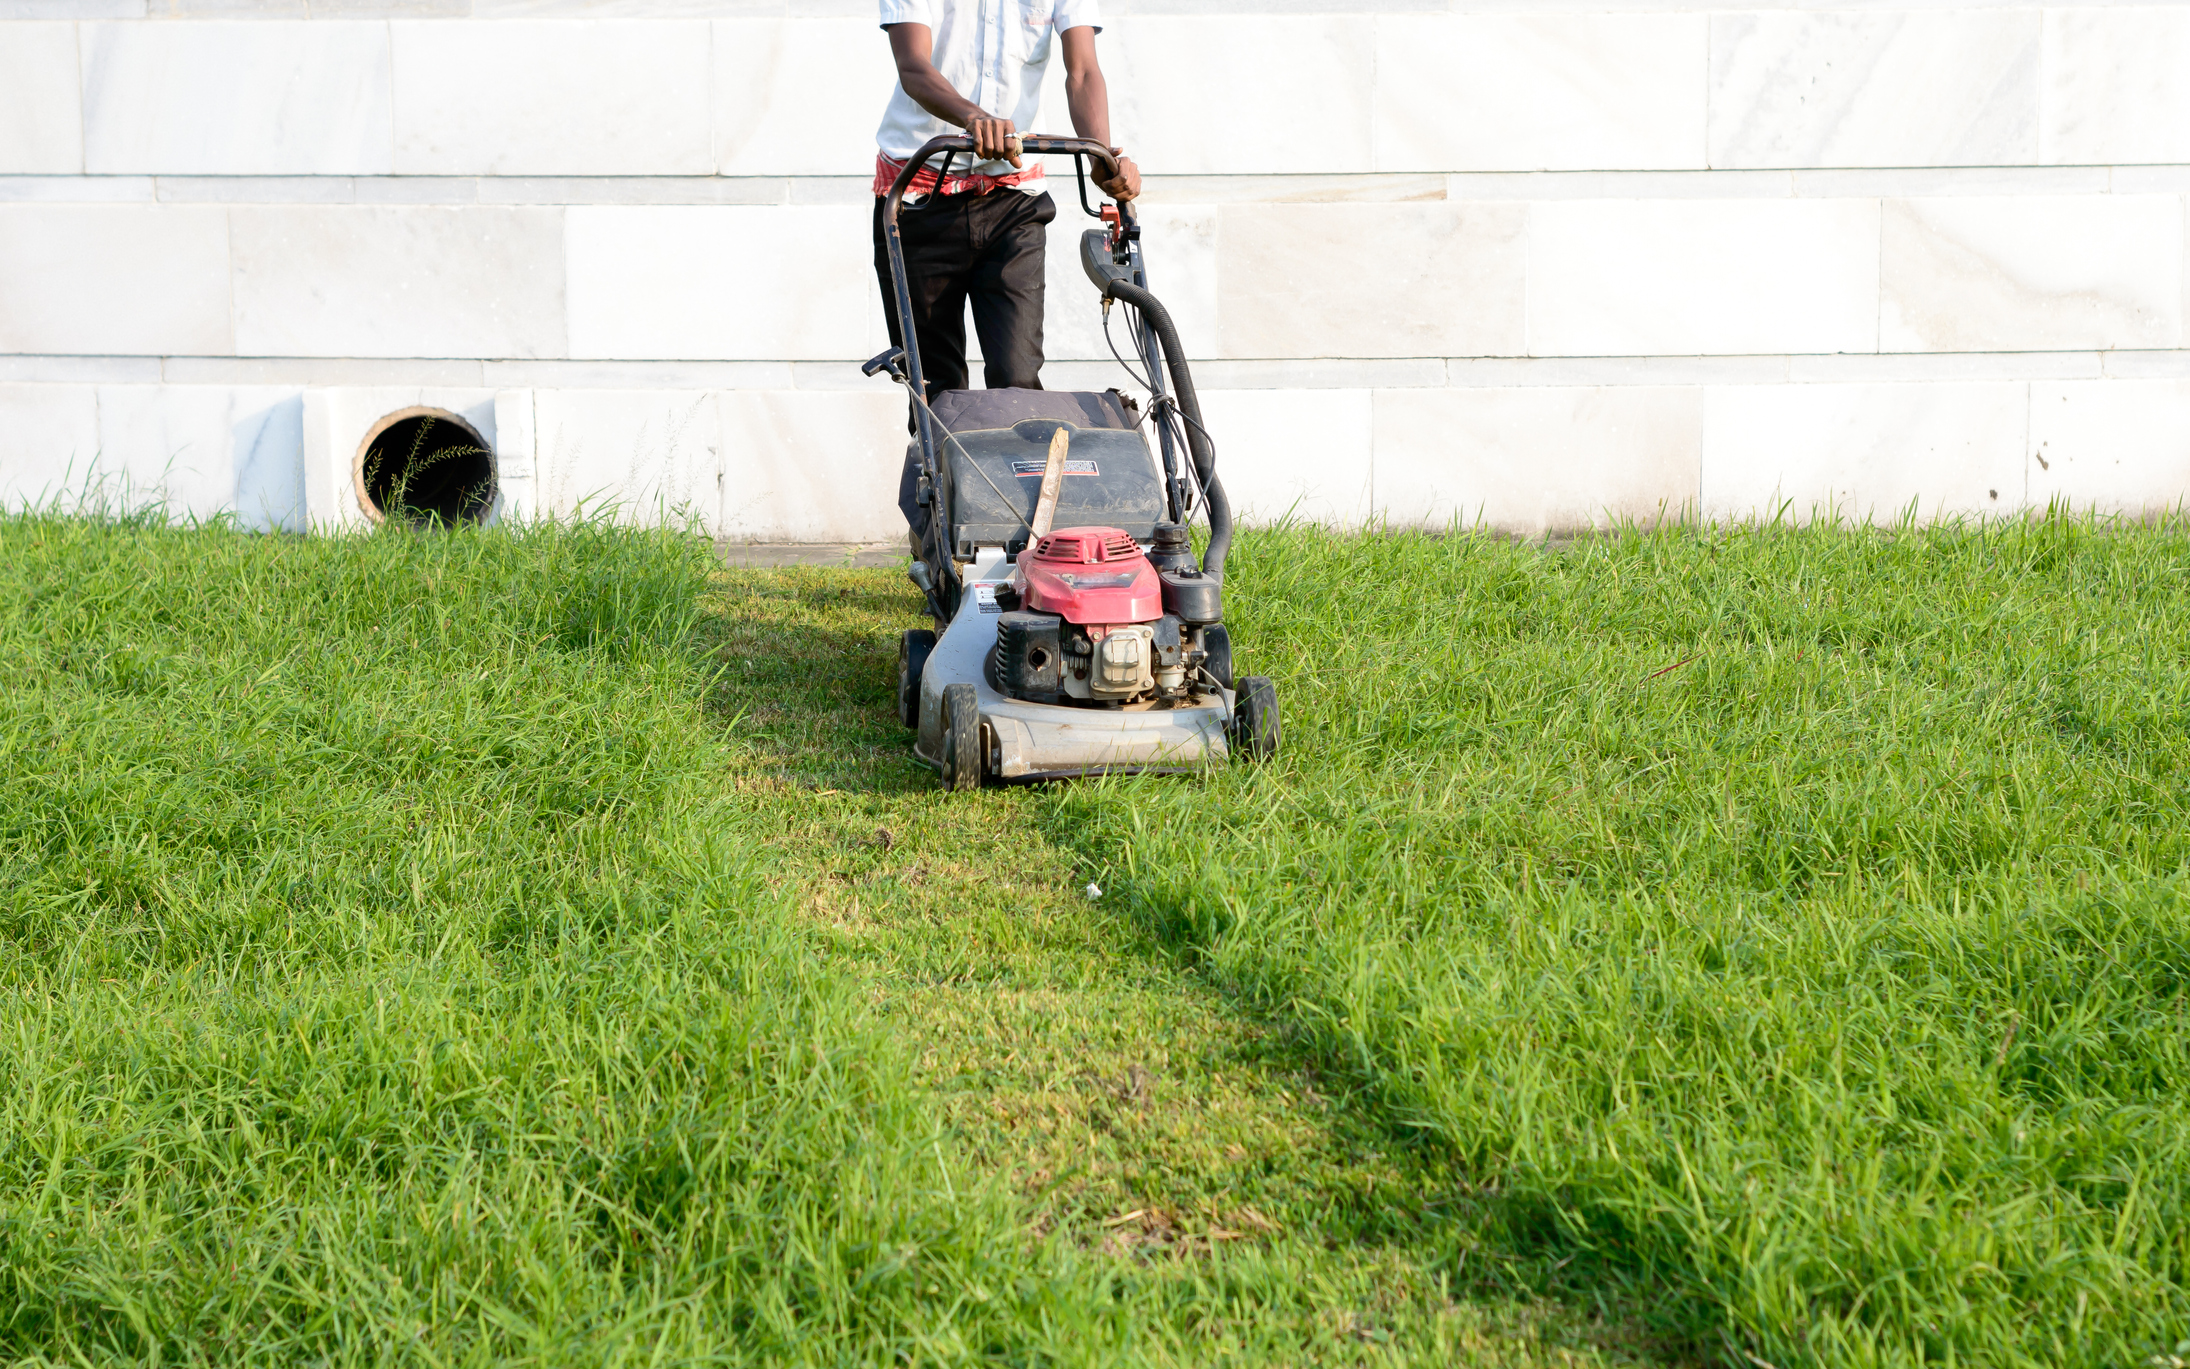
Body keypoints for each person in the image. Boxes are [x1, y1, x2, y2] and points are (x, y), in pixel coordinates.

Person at [873, 0, 1141, 410]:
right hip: (920, 200)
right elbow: (912, 66)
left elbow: (1083, 69)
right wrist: (974, 118)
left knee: (1017, 383)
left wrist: (1100, 157)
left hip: (1014, 202)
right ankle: (942, 474)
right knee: (936, 394)